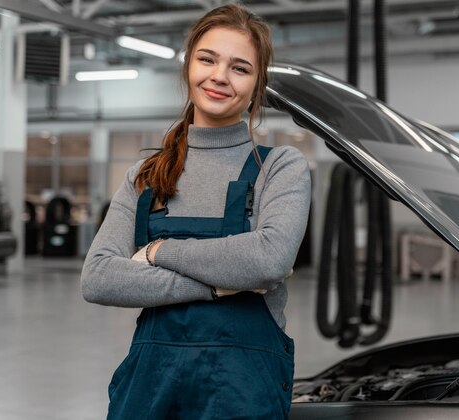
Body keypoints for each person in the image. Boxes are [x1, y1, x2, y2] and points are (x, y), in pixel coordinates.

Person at [80, 3, 311, 419]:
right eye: (207, 59)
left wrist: (157, 252)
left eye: (240, 68)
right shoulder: (145, 176)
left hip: (243, 390)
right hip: (149, 389)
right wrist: (219, 285)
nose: (220, 76)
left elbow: (267, 259)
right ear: (189, 67)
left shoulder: (278, 166)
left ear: (257, 85)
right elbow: (98, 277)